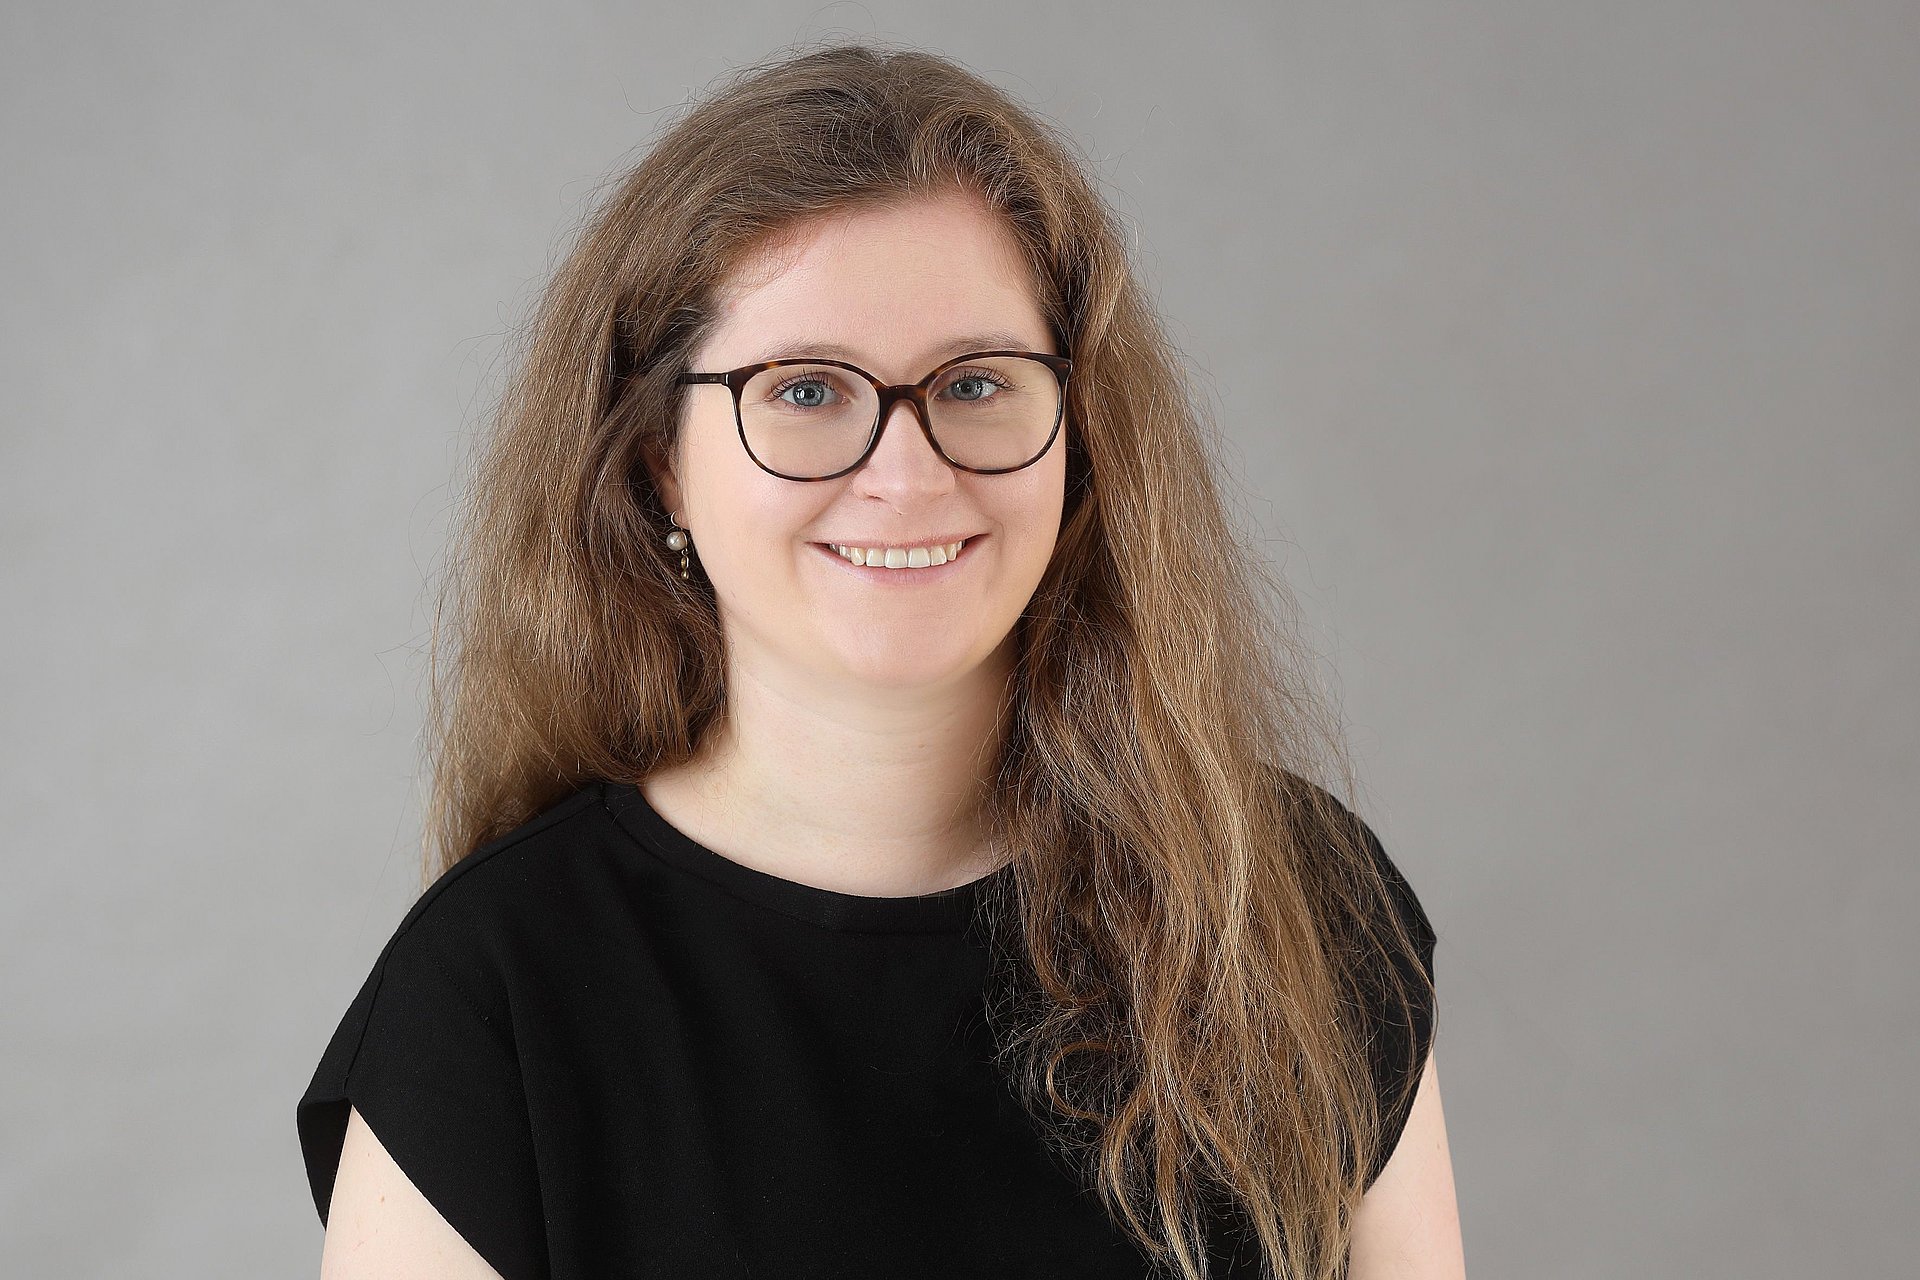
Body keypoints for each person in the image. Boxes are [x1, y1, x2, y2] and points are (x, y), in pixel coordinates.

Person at [296, 40, 1462, 1280]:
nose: (906, 474)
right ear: (659, 466)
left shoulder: (1294, 905)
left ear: (1079, 441)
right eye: (805, 391)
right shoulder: (495, 991)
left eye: (973, 381)